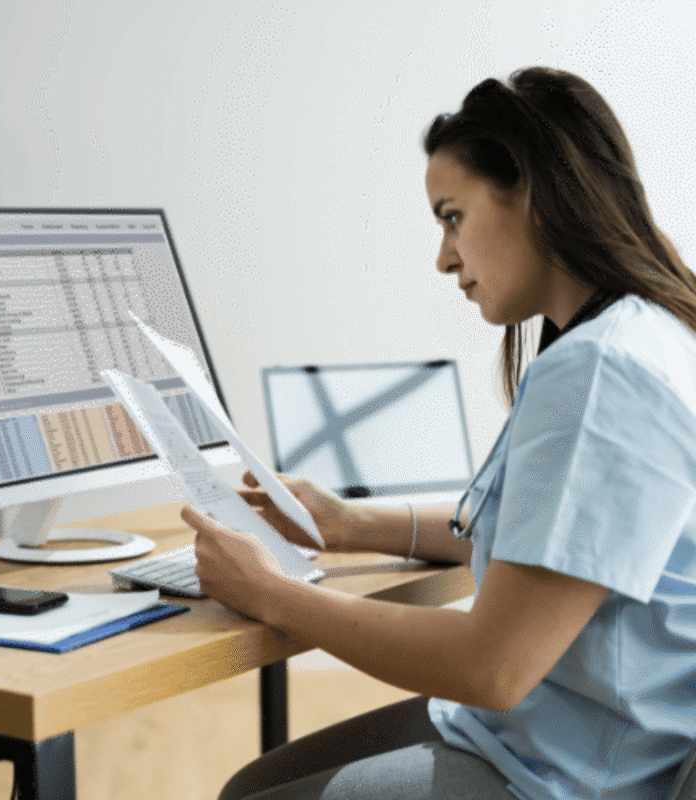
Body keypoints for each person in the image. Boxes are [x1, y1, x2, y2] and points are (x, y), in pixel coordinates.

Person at [180, 66, 696, 800]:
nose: (444, 257)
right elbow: (551, 548)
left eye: (452, 216)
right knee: (252, 785)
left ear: (534, 194)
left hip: (567, 775)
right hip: (554, 735)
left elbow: (494, 665)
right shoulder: (642, 333)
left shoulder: (602, 370)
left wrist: (271, 594)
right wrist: (349, 523)